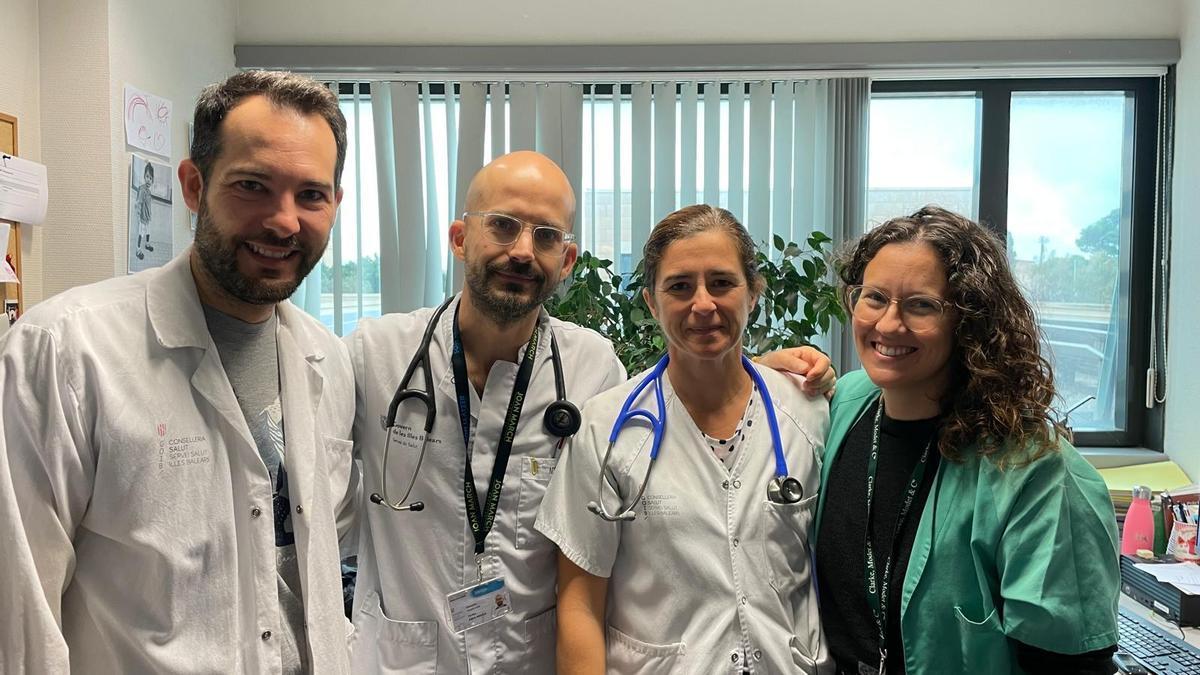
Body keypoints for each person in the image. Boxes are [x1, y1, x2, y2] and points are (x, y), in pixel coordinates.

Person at [346, 157, 834, 673]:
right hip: (408, 657)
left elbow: (681, 389)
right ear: (460, 238)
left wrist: (757, 373)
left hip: (526, 658)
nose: (522, 250)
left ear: (567, 260)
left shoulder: (592, 367)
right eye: (503, 226)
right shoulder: (374, 355)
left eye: (546, 236)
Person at [0, 70, 357, 674]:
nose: (284, 221)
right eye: (253, 185)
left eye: (311, 195)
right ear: (193, 186)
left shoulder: (329, 358)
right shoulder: (64, 352)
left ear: (335, 205)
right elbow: (20, 612)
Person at [813, 206, 1119, 674]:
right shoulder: (845, 406)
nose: (888, 325)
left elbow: (1073, 666)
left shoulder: (1039, 474)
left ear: (970, 320)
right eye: (873, 297)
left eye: (921, 305)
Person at [536, 204, 831, 674]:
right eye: (679, 286)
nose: (703, 304)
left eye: (722, 282)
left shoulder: (808, 413)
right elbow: (580, 605)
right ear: (651, 303)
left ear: (754, 293)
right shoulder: (605, 428)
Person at [134, 161, 156, 260]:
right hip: (142, 217)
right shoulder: (142, 189)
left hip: (147, 217)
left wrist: (150, 214)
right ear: (144, 176)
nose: (148, 180)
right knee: (141, 233)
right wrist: (138, 215)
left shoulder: (149, 191)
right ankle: (138, 250)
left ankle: (147, 244)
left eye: (151, 178)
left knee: (148, 231)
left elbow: (148, 204)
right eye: (147, 176)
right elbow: (138, 202)